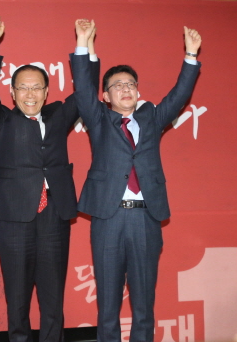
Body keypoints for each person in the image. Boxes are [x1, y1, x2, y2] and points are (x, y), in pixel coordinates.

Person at [71, 19, 202, 342]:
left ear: (138, 91)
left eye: (130, 84)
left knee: (144, 302)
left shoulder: (152, 117)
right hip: (109, 217)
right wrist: (83, 43)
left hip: (146, 218)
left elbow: (180, 96)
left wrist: (190, 55)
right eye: (117, 85)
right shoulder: (99, 119)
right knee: (108, 304)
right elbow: (83, 89)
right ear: (106, 95)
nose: (125, 89)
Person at [0, 14, 100, 342]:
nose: (30, 94)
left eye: (36, 87)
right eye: (23, 87)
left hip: (54, 215)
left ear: (46, 92)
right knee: (17, 298)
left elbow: (86, 92)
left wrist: (83, 45)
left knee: (52, 298)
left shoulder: (58, 115)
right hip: (12, 219)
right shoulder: (0, 120)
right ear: (12, 92)